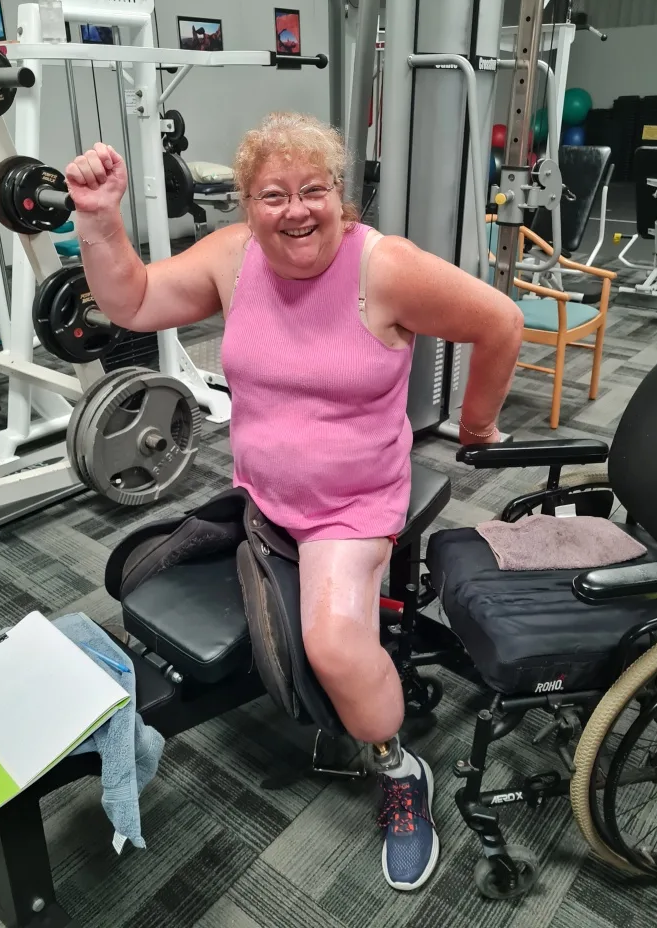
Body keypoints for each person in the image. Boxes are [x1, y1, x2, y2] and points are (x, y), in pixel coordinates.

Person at [65, 112, 524, 893]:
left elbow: (500, 321)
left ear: (340, 196)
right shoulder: (234, 258)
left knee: (338, 648)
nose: (297, 210)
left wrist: (477, 423)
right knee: (141, 570)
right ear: (247, 206)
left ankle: (399, 766)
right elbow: (132, 303)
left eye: (315, 190)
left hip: (350, 507)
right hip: (262, 493)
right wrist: (99, 218)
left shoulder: (386, 268)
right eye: (272, 195)